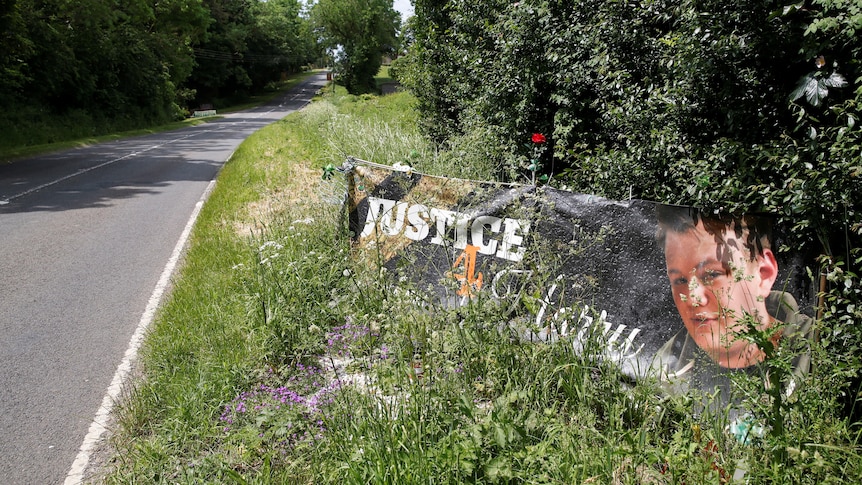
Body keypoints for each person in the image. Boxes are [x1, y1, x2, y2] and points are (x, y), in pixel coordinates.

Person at [651, 205, 812, 400]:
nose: (694, 298)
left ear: (763, 274)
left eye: (712, 274)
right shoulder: (662, 368)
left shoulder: (823, 353)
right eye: (680, 281)